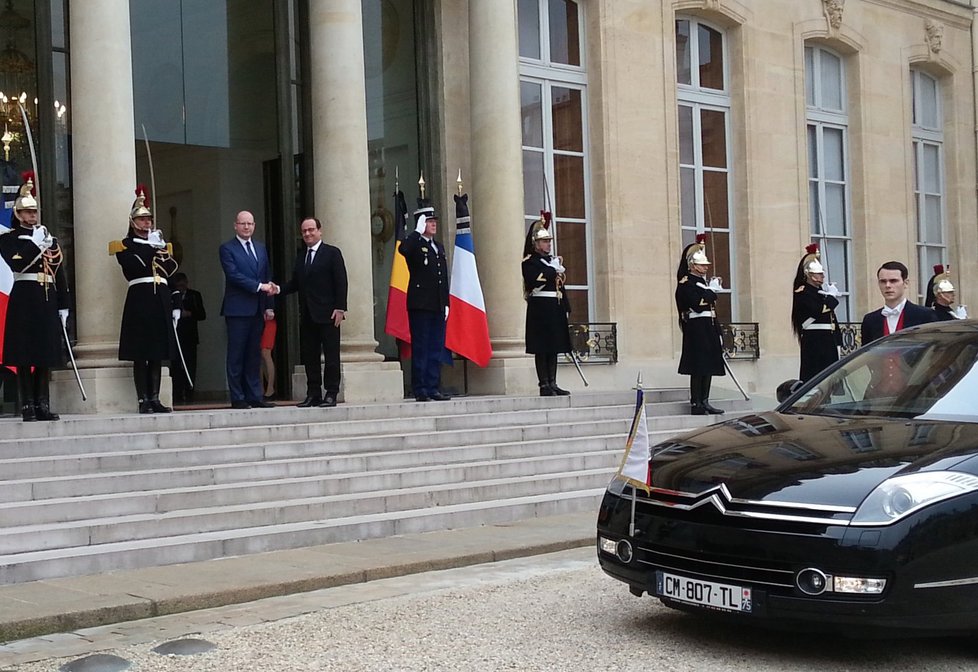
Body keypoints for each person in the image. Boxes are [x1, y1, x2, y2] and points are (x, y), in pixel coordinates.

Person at [0, 172, 69, 421]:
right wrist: (36, 244)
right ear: (18, 214)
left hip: (47, 297)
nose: (33, 216)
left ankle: (42, 403)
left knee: (44, 351)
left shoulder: (49, 239)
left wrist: (64, 304)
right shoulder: (8, 239)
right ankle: (28, 404)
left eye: (35, 212)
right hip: (25, 297)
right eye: (28, 212)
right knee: (24, 352)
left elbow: (58, 273)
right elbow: (17, 264)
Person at [112, 186, 181, 414]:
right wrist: (153, 249)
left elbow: (169, 271)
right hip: (140, 299)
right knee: (141, 353)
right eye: (142, 219)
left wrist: (175, 302)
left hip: (159, 298)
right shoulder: (125, 246)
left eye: (148, 219)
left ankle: (155, 398)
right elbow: (137, 266)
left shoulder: (159, 245)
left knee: (157, 353)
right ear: (133, 222)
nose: (146, 223)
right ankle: (143, 400)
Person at [279, 217, 348, 408]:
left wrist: (340, 308)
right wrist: (278, 289)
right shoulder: (301, 256)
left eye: (311, 230)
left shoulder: (332, 253)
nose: (308, 234)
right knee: (310, 356)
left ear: (320, 231)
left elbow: (341, 281)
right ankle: (313, 393)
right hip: (308, 315)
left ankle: (331, 393)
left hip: (329, 314)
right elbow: (295, 283)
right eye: (304, 231)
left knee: (331, 356)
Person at [219, 210, 277, 409]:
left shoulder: (260, 248)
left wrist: (269, 306)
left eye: (250, 223)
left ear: (254, 225)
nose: (246, 227)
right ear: (235, 225)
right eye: (243, 223)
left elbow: (266, 275)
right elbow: (234, 275)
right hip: (237, 310)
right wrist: (258, 287)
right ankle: (238, 397)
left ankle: (255, 396)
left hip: (258, 309)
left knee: (254, 354)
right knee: (236, 355)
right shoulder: (227, 248)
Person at [398, 197, 451, 402]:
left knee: (436, 346)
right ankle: (420, 387)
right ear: (421, 223)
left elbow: (442, 277)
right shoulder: (414, 244)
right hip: (420, 303)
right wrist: (416, 232)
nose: (433, 223)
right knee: (421, 346)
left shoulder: (438, 247)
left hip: (437, 303)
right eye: (429, 221)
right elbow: (403, 250)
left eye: (434, 220)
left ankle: (433, 386)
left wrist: (446, 302)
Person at [522, 213, 572, 396]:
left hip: (554, 305)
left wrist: (566, 306)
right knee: (542, 347)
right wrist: (552, 268)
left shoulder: (550, 261)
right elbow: (536, 280)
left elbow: (560, 285)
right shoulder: (530, 262)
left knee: (554, 346)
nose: (548, 244)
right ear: (536, 244)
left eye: (549, 241)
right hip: (540, 307)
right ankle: (544, 384)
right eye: (544, 241)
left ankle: (553, 382)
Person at [675, 234, 725, 415]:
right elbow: (697, 305)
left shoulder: (702, 283)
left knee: (709, 365)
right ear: (692, 265)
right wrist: (712, 292)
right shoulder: (686, 283)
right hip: (696, 328)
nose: (705, 267)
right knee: (699, 366)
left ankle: (705, 400)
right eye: (702, 265)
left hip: (708, 326)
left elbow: (710, 309)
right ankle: (696, 403)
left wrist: (718, 330)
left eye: (706, 265)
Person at [790, 243, 842, 382]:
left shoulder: (820, 293)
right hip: (815, 340)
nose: (822, 276)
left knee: (830, 379)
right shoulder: (803, 292)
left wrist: (838, 339)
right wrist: (831, 297)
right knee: (816, 379)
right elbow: (819, 310)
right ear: (810, 275)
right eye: (819, 273)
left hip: (827, 339)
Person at [860, 260, 938, 346]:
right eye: (883, 281)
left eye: (893, 281)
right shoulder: (870, 320)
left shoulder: (925, 315)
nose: (888, 285)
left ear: (906, 283)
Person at [171, 272, 206, 404]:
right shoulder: (172, 295)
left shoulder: (194, 295)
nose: (181, 288)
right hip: (176, 336)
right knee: (175, 366)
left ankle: (190, 392)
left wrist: (190, 313)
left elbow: (202, 314)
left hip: (190, 336)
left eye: (183, 284)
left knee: (190, 365)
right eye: (178, 285)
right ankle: (177, 394)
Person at [260, 317, 277, 401]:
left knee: (266, 353)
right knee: (259, 356)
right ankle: (261, 389)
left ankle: (270, 389)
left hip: (269, 321)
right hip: (258, 322)